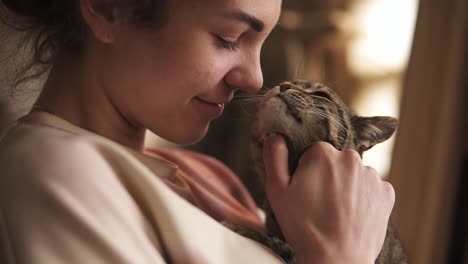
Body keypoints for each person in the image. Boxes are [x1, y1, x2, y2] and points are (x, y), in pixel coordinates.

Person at [0, 0, 395, 263]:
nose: (256, 80)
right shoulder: (56, 172)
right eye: (229, 39)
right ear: (107, 9)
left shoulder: (213, 181)